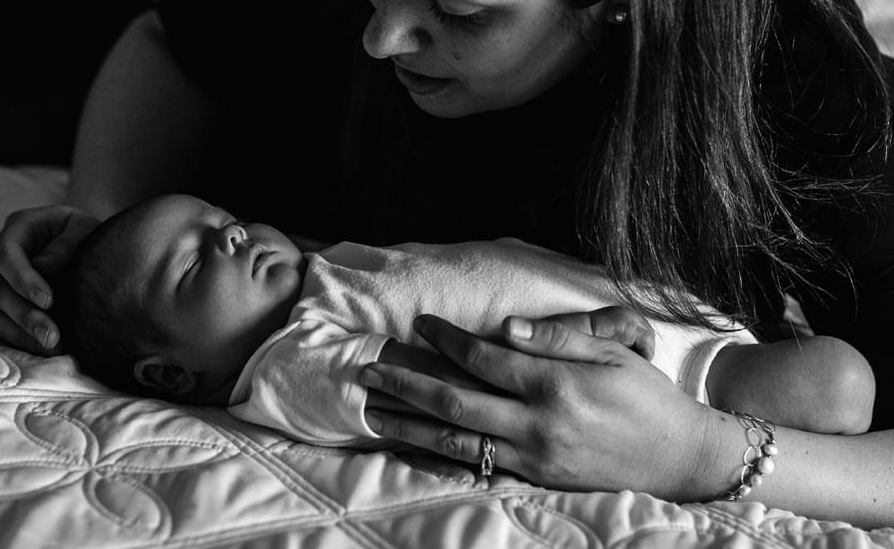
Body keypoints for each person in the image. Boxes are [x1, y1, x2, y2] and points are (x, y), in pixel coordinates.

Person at [0, 0, 894, 528]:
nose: (382, 37)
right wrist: (106, 236)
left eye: (457, 10)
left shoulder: (793, 82)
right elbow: (180, 42)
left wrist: (698, 452)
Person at [55, 193, 872, 447]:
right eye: (195, 262)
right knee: (840, 381)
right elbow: (435, 388)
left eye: (223, 219)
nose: (232, 236)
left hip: (661, 320)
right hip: (654, 381)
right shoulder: (290, 362)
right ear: (170, 372)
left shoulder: (317, 279)